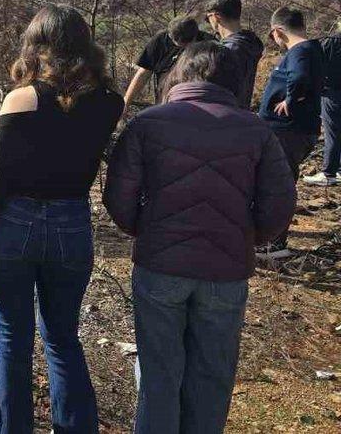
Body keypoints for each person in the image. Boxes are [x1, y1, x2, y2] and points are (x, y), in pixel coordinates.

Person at [105, 41, 295, 434]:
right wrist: (245, 237)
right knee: (212, 375)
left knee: (158, 373)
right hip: (225, 271)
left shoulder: (148, 123)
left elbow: (118, 196)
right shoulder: (255, 130)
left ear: (180, 74)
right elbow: (279, 204)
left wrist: (145, 228)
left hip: (160, 266)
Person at [0, 4, 122, 434]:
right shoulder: (109, 102)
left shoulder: (22, 99)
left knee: (13, 336)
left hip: (15, 224)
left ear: (38, 46)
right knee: (63, 337)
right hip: (72, 223)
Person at [257, 6, 324, 259]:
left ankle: (273, 245)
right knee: (280, 182)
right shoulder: (313, 50)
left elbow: (298, 77)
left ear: (278, 32)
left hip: (287, 131)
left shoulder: (300, 52)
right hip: (295, 130)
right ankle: (271, 241)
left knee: (277, 184)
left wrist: (290, 101)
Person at [122, 14, 212, 113]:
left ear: (195, 36)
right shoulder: (160, 41)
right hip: (164, 104)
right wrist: (126, 103)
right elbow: (143, 73)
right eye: (176, 42)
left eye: (185, 44)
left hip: (197, 106)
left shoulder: (209, 46)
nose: (181, 47)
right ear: (170, 35)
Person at [202, 0, 264, 108]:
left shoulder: (226, 51)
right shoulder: (251, 42)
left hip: (223, 113)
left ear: (216, 17)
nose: (208, 22)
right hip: (242, 110)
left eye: (208, 18)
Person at [304, 23, 341, 186]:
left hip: (332, 93)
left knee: (332, 133)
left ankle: (329, 173)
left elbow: (317, 66)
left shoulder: (331, 42)